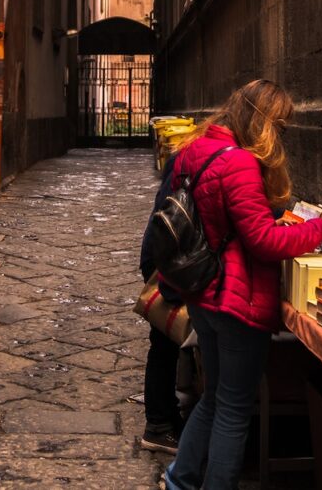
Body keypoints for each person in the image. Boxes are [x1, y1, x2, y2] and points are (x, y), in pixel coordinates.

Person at [162, 80, 322, 490]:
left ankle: (180, 479)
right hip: (237, 300)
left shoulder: (197, 148)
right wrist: (321, 227)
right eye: (278, 124)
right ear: (262, 121)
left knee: (213, 397)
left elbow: (223, 216)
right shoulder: (240, 163)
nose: (280, 134)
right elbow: (263, 243)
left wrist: (267, 216)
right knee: (233, 407)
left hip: (203, 292)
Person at [138, 153, 187, 453]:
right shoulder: (212, 160)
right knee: (164, 339)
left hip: (163, 250)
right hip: (170, 255)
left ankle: (165, 412)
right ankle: (158, 424)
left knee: (165, 342)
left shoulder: (186, 153)